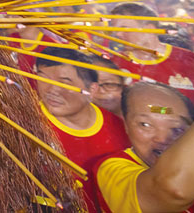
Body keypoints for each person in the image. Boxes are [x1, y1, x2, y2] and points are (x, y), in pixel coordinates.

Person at [34, 47, 129, 211]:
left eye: (64, 82)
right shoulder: (25, 124)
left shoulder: (119, 127)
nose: (51, 90)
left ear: (92, 89)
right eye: (43, 79)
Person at [95, 82, 194, 212]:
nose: (162, 139)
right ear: (126, 126)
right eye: (145, 125)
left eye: (177, 128)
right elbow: (174, 189)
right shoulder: (113, 170)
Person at [110, 2, 194, 112]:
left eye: (124, 28)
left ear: (150, 29)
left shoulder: (190, 61)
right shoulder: (114, 64)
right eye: (116, 29)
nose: (118, 34)